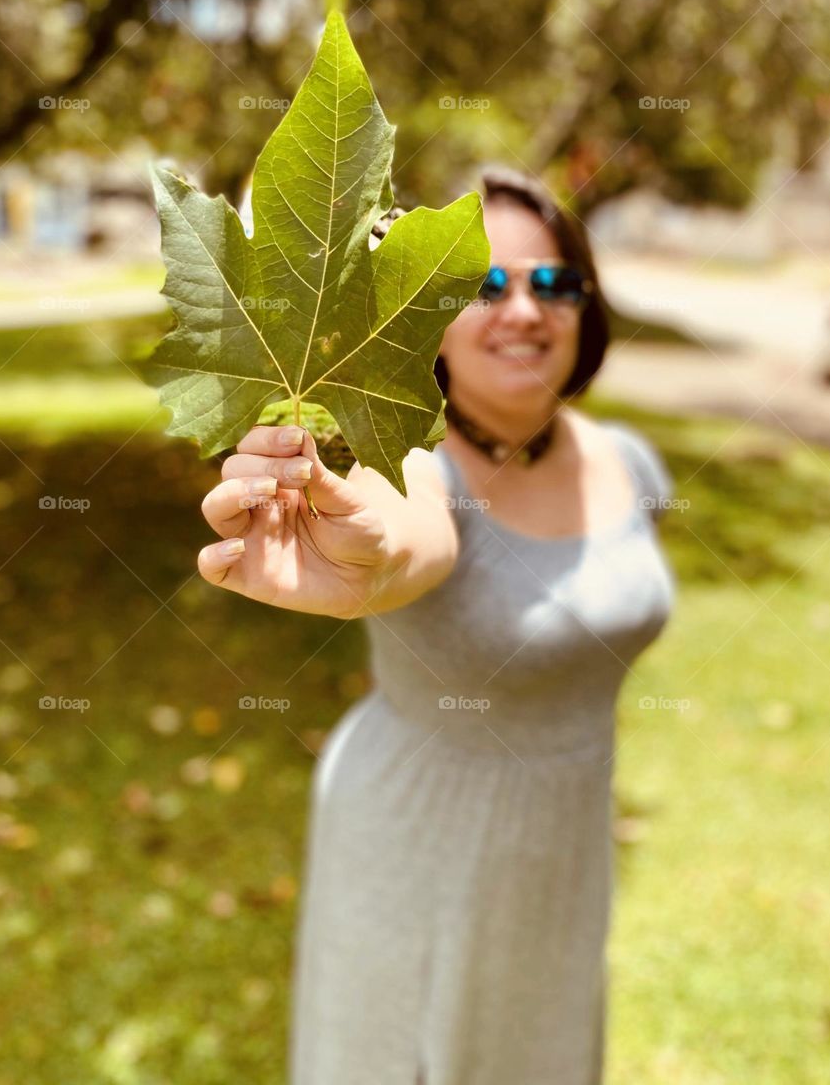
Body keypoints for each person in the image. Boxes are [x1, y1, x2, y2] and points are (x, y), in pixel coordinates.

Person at [197, 165, 677, 1084]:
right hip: (413, 843)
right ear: (426, 324)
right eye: (483, 284)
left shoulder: (630, 461)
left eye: (553, 282)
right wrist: (368, 556)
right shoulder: (415, 462)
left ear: (587, 305)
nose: (524, 309)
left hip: (562, 850)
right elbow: (410, 539)